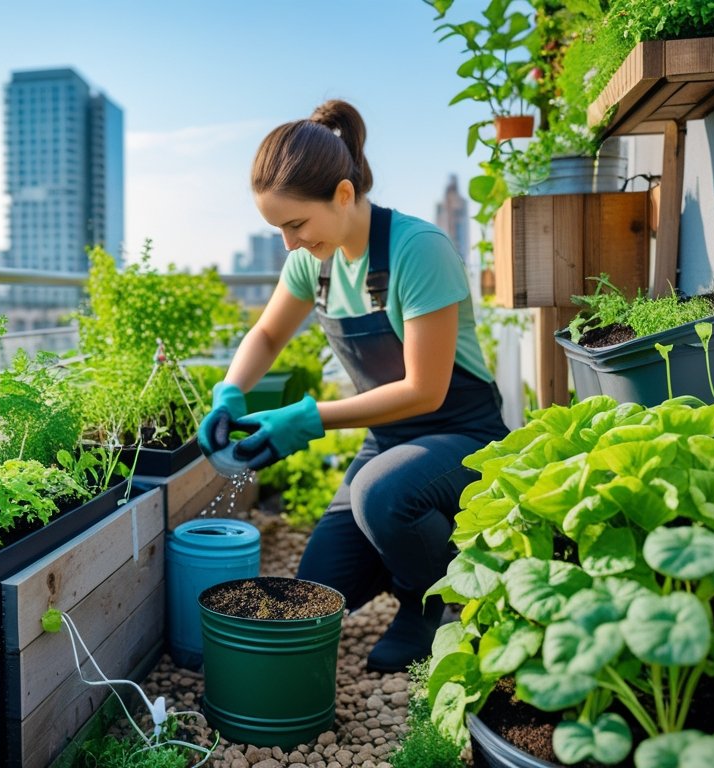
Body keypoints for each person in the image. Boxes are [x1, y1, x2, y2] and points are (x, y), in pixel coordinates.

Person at [197, 99, 509, 673]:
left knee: (383, 496)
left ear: (343, 194)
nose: (288, 242)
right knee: (313, 592)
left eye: (296, 224)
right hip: (388, 444)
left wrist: (309, 419)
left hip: (465, 438)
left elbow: (425, 391)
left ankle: (431, 601)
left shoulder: (417, 250)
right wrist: (230, 391)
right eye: (278, 228)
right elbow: (266, 334)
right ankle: (409, 567)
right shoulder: (312, 263)